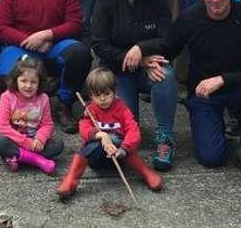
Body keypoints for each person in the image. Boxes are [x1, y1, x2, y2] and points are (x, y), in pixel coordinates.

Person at [140, 0, 241, 184]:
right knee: (211, 157)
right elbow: (168, 47)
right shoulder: (189, 17)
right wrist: (143, 53)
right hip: (204, 93)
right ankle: (228, 140)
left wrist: (222, 79)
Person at [0, 0, 92, 134]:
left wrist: (47, 35)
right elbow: (0, 28)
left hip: (55, 46)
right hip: (21, 46)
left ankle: (64, 104)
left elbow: (75, 23)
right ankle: (23, 110)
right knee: (4, 78)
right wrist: (31, 41)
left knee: (80, 54)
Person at [91, 0, 177, 171]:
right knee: (128, 130)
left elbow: (168, 39)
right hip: (118, 71)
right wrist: (135, 60)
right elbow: (99, 45)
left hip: (149, 69)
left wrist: (141, 49)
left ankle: (164, 139)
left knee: (165, 75)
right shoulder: (106, 0)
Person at [56, 68, 163, 199]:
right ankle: (72, 178)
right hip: (95, 159)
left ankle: (145, 172)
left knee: (116, 138)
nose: (102, 99)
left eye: (106, 94)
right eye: (97, 95)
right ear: (90, 96)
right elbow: (84, 130)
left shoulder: (122, 109)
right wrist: (102, 135)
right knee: (90, 145)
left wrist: (124, 149)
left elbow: (133, 130)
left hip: (119, 156)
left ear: (114, 92)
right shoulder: (90, 110)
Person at [0, 56, 63, 174]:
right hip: (14, 139)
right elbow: (2, 126)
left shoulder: (43, 98)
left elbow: (47, 124)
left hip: (34, 141)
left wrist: (40, 139)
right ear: (16, 80)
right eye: (24, 81)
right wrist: (26, 143)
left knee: (57, 145)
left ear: (39, 83)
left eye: (33, 82)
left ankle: (14, 156)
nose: (28, 86)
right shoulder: (7, 96)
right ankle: (36, 159)